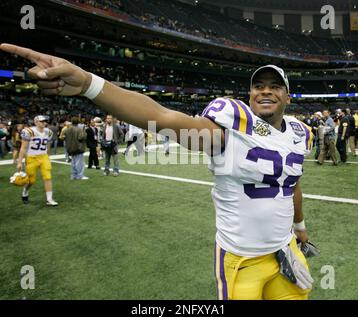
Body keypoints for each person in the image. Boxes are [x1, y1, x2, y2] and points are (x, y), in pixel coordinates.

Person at [0, 44, 315, 300]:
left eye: (275, 87)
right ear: (249, 95)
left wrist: (299, 226)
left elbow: (293, 184)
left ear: (288, 96)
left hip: (285, 249)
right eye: (258, 86)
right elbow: (161, 115)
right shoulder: (231, 129)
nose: (265, 91)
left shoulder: (300, 133)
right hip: (242, 260)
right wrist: (88, 84)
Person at [17, 115, 58, 206]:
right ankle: (25, 192)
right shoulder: (29, 131)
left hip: (43, 156)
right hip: (31, 157)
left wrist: (48, 155)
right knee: (31, 180)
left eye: (45, 121)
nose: (44, 123)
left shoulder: (49, 132)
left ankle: (49, 199)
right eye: (41, 121)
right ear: (35, 122)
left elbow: (48, 144)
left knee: (47, 177)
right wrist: (19, 162)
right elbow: (23, 148)